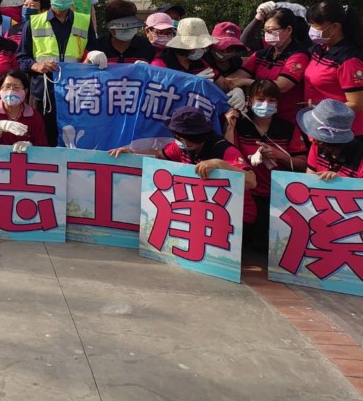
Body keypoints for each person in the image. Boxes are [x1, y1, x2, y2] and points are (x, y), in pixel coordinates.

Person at [111, 106, 257, 226]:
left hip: (237, 219)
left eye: (179, 138)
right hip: (203, 214)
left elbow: (251, 181)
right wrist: (132, 152)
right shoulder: (182, 146)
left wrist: (218, 164)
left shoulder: (225, 150)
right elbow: (159, 155)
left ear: (192, 138)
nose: (177, 140)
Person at [224, 80, 306, 249]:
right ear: (249, 100)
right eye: (260, 99)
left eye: (271, 101)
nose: (265, 105)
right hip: (247, 193)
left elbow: (303, 164)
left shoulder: (288, 129)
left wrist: (280, 155)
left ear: (278, 104)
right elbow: (229, 156)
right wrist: (230, 127)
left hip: (277, 196)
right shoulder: (240, 124)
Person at [18, 0, 97, 144]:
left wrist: (89, 60)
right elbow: (22, 59)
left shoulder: (84, 21)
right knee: (43, 141)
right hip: (42, 94)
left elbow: (92, 52)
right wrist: (36, 66)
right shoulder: (33, 23)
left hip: (75, 94)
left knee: (73, 141)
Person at [225, 7, 310, 124]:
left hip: (285, 121)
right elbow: (232, 79)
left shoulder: (299, 56)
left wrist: (245, 82)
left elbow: (282, 86)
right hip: (257, 119)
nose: (267, 35)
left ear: (288, 30)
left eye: (271, 30)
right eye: (265, 31)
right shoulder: (262, 54)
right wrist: (235, 87)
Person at [303, 0, 363, 137]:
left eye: (316, 26)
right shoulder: (320, 48)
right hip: (320, 126)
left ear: (335, 27)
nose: (312, 30)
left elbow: (358, 103)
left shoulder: (349, 60)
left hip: (343, 133)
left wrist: (323, 110)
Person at [0, 69, 47, 150]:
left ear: (25, 91)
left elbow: (43, 147)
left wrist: (31, 147)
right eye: (7, 87)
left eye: (16, 87)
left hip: (24, 160)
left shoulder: (34, 116)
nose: (11, 91)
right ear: (0, 89)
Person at [297, 98, 363, 179]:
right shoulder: (317, 147)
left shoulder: (360, 157)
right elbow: (309, 180)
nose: (310, 137)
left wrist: (342, 183)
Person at [90, 0, 155, 64]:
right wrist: (89, 60)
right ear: (110, 27)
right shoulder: (98, 46)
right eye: (121, 25)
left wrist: (148, 69)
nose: (127, 28)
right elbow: (84, 71)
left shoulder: (145, 46)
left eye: (130, 23)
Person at [152, 17, 218, 77]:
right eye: (197, 45)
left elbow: (223, 83)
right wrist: (191, 81)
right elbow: (157, 87)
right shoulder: (160, 64)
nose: (199, 49)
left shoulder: (200, 63)